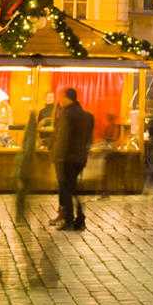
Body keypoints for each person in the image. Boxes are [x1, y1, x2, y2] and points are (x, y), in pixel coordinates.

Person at [50, 86, 94, 231]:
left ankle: (68, 219)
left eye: (60, 97)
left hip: (66, 158)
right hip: (80, 158)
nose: (59, 101)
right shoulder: (87, 116)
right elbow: (89, 139)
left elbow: (63, 138)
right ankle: (79, 218)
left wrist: (57, 157)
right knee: (73, 188)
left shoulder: (67, 114)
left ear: (66, 98)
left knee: (66, 189)